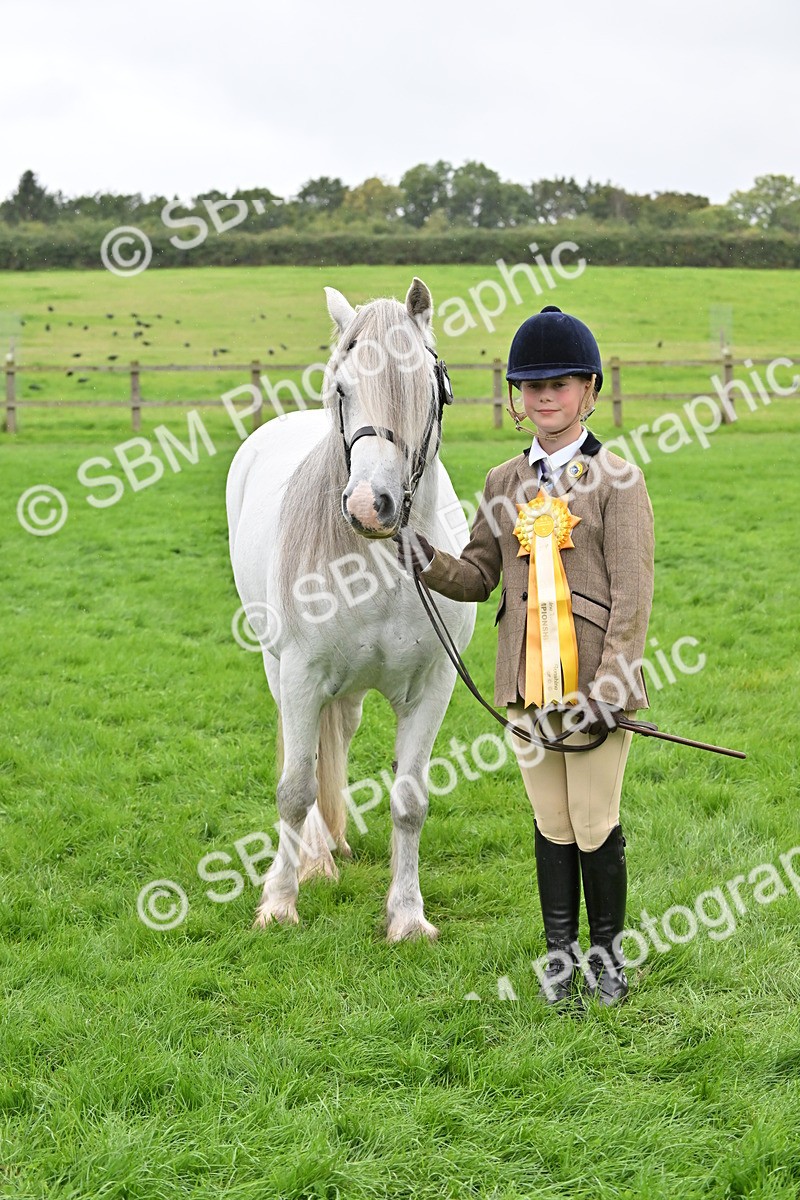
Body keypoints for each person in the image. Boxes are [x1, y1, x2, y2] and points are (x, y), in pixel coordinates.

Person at [397, 305, 655, 1009]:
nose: (544, 397)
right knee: (551, 824)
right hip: (525, 686)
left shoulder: (620, 483)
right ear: (517, 396)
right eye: (531, 385)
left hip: (595, 686)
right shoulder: (502, 484)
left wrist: (610, 684)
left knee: (594, 821)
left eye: (560, 384)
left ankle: (607, 959)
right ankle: (560, 957)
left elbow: (633, 598)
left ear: (590, 390)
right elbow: (479, 576)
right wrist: (422, 558)